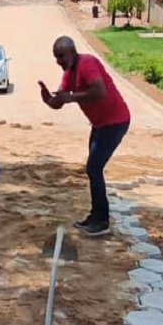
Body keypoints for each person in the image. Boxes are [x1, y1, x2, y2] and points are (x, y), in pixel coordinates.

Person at [40, 36, 131, 237]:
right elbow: (59, 101)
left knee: (94, 168)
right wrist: (49, 100)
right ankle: (96, 215)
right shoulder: (68, 73)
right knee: (93, 169)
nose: (59, 61)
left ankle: (102, 220)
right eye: (56, 57)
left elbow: (100, 92)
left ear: (72, 52)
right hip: (100, 124)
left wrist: (71, 97)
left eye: (61, 56)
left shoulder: (87, 63)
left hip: (116, 121)